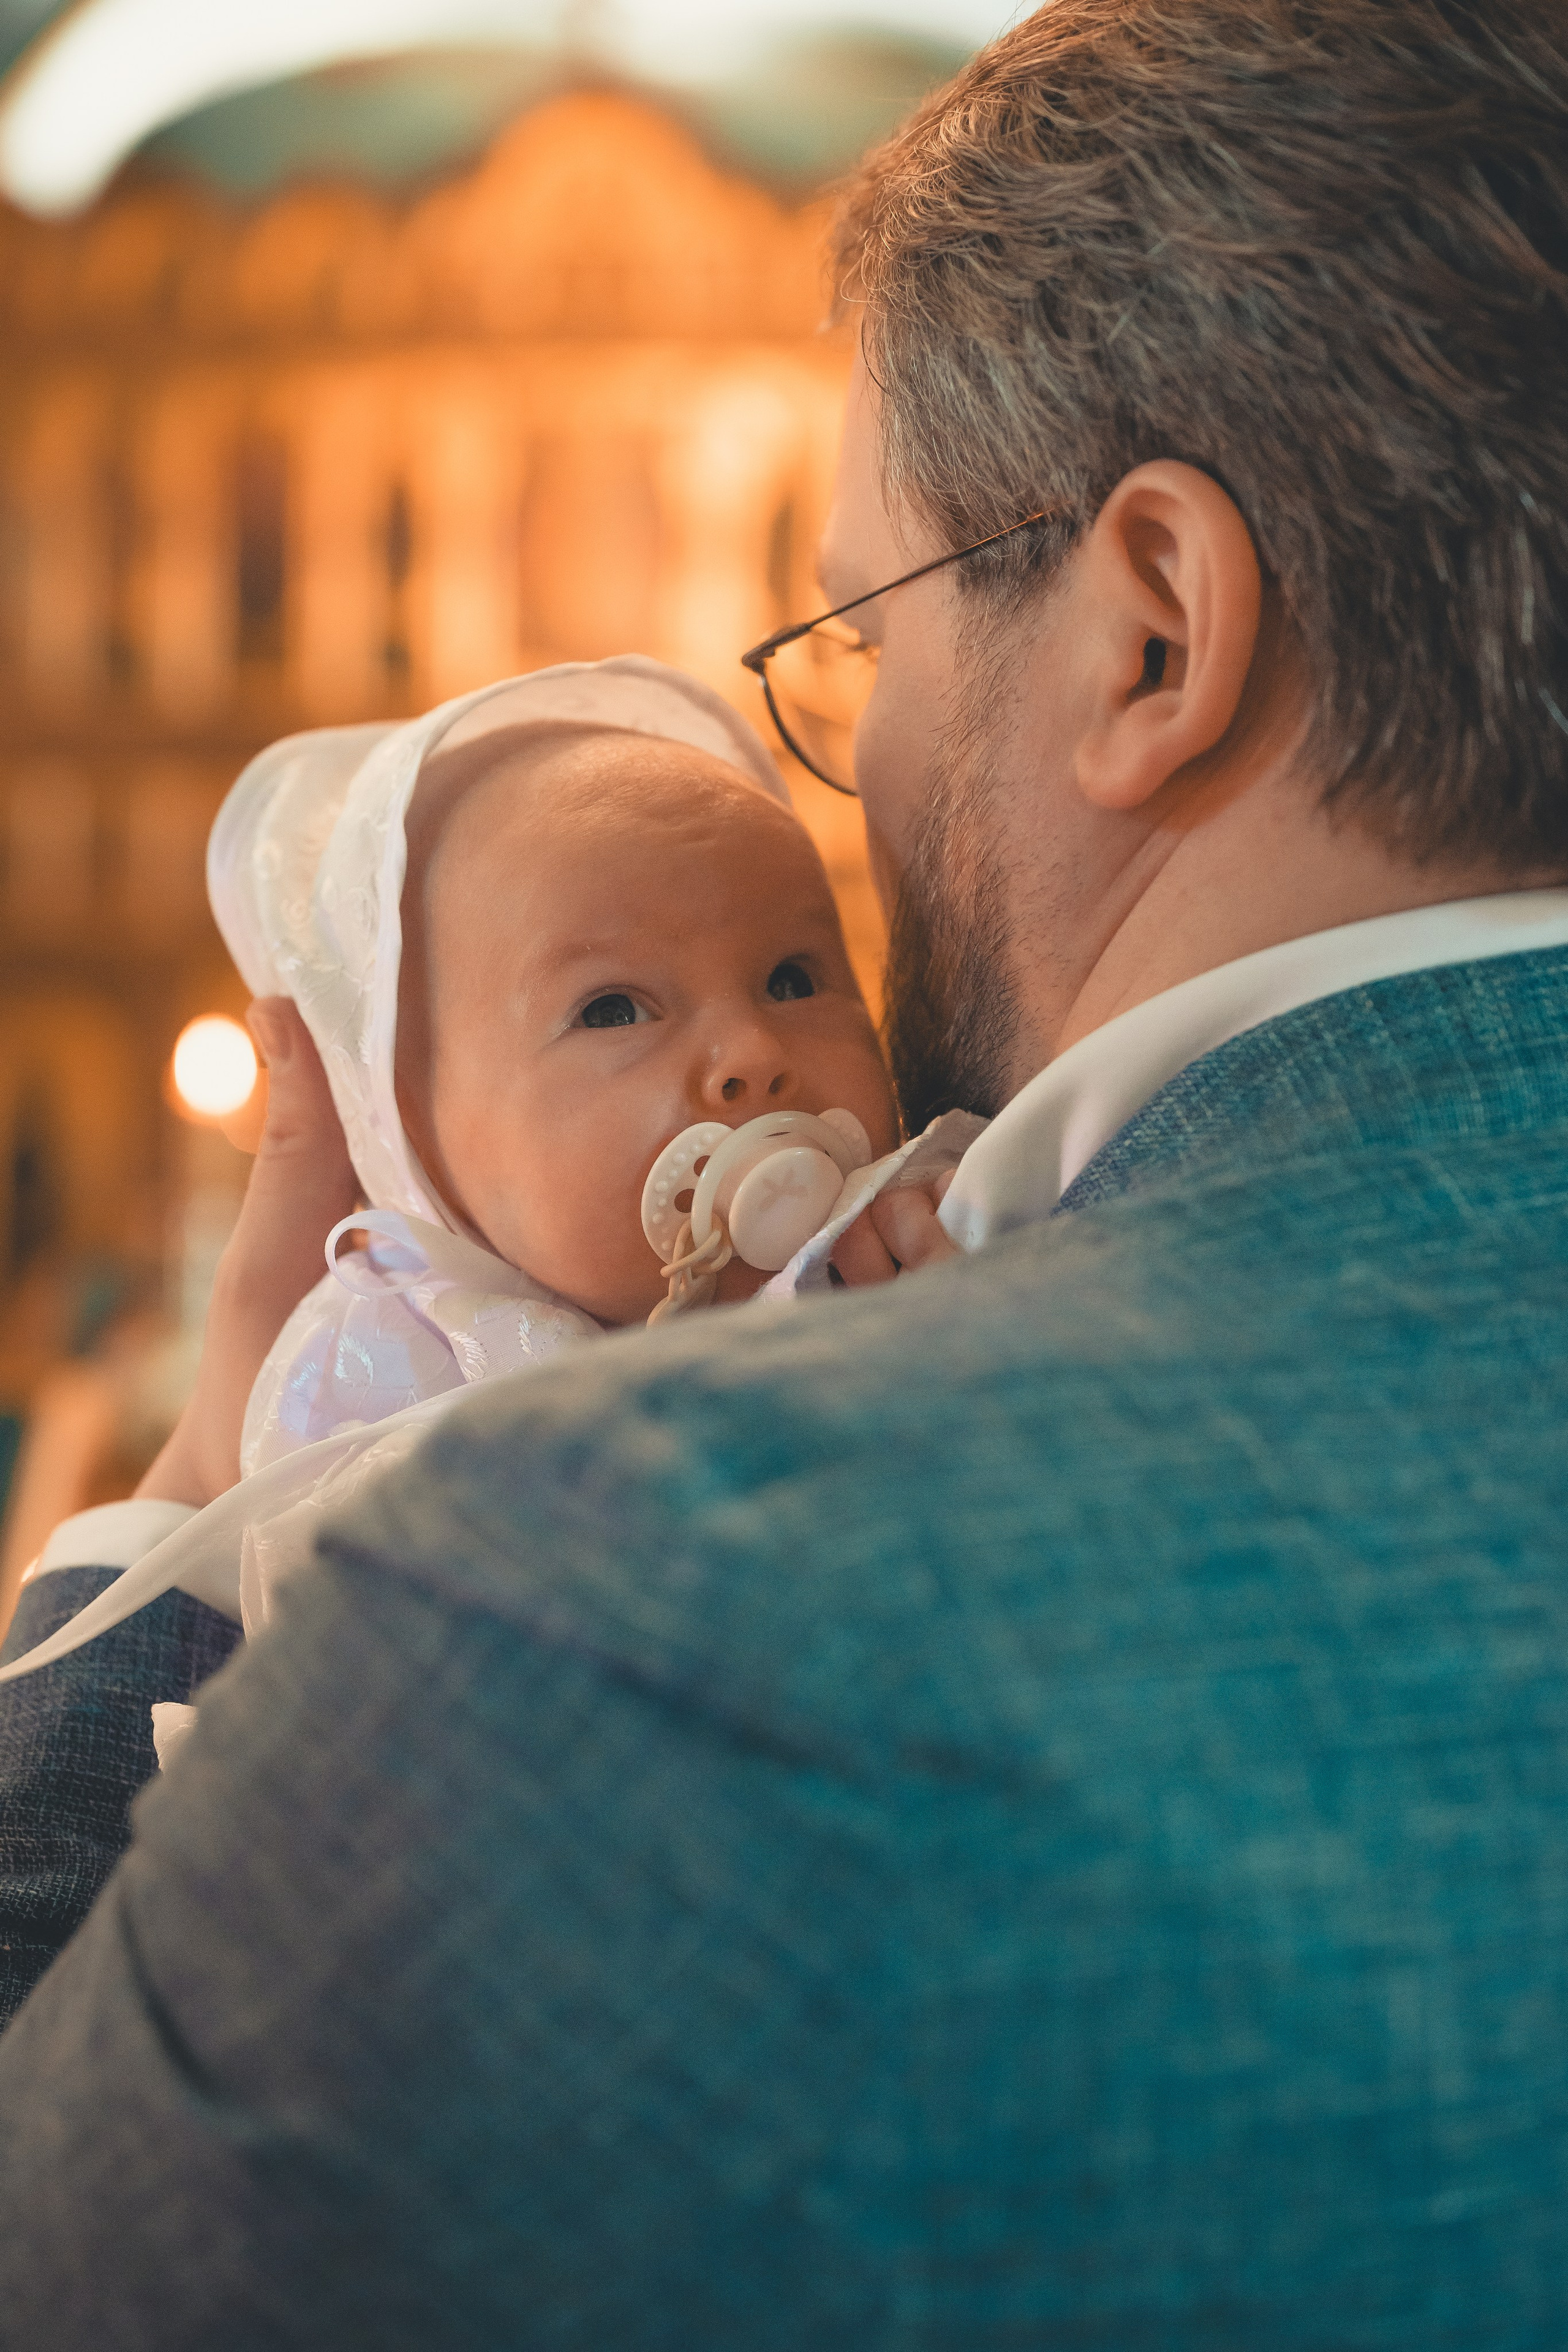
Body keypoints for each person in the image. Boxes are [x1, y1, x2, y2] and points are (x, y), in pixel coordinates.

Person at [3, 1, 1568, 2340]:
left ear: (1153, 628)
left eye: (861, 631)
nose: (844, 772)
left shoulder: (629, 1595)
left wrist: (187, 1501)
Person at [0, 658, 911, 1713]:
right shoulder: (380, 1401)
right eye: (615, 1008)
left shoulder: (922, 1243)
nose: (752, 1050)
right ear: (408, 1136)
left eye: (795, 977)